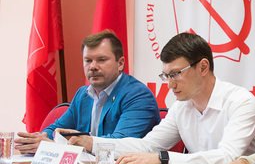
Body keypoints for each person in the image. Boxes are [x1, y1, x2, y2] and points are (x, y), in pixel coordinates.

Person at [69, 32, 255, 164]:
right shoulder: (181, 107)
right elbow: (148, 146)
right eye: (166, 76)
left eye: (176, 74)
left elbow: (227, 157)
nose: (170, 84)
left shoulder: (242, 103)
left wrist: (163, 159)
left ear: (203, 67)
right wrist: (92, 143)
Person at [14, 30, 160, 153]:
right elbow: (57, 129)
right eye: (88, 60)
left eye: (101, 60)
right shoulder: (83, 94)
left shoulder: (138, 96)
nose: (93, 67)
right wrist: (39, 139)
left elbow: (119, 144)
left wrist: (55, 146)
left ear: (120, 63)